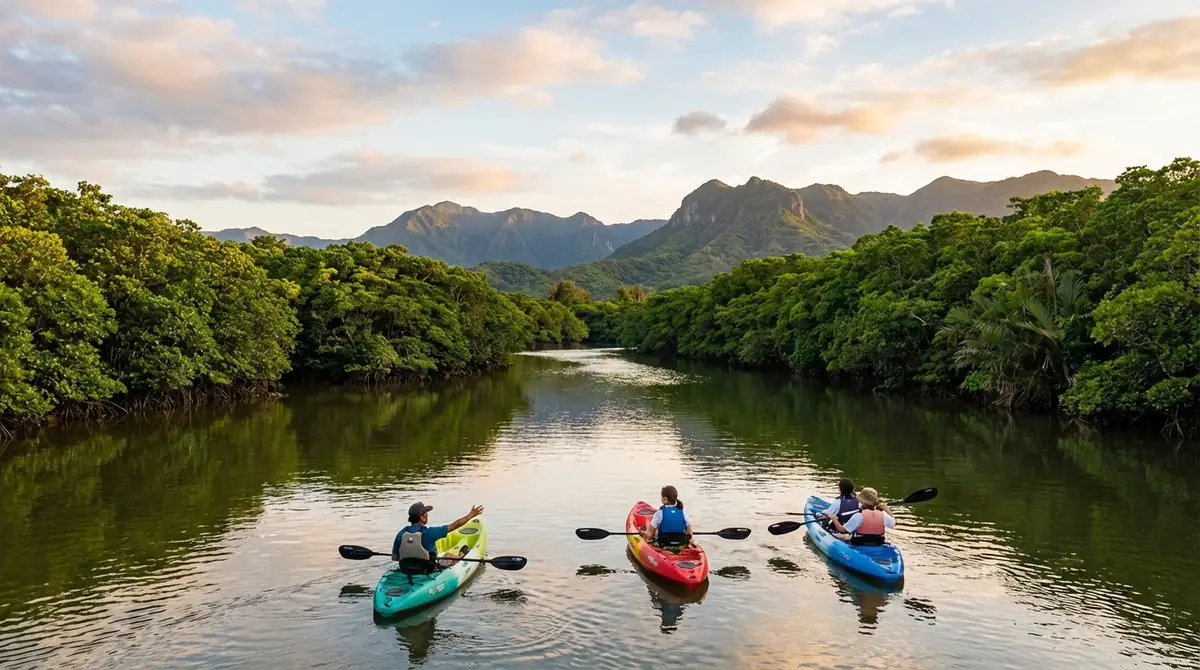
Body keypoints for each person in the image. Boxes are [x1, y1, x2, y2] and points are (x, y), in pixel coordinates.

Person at [392, 501, 484, 571]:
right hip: (428, 570)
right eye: (426, 513)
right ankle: (461, 556)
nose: (427, 515)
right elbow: (455, 525)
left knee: (447, 555)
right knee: (449, 556)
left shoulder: (401, 534)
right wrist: (471, 515)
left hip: (406, 570)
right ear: (422, 517)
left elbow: (395, 558)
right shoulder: (430, 532)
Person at [827, 487, 894, 545]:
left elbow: (842, 530)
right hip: (878, 542)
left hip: (859, 542)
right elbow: (892, 524)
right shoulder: (883, 515)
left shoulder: (858, 516)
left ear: (862, 502)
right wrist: (887, 509)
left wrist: (833, 519)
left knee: (838, 534)